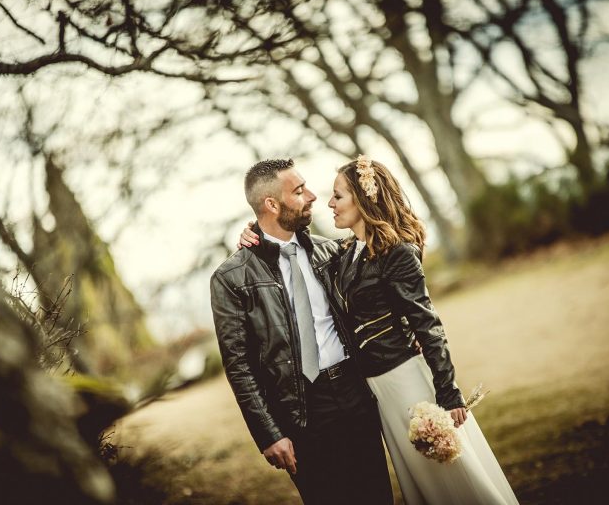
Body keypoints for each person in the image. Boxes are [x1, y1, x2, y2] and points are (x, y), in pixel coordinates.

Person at [240, 156, 519, 505]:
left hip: (406, 381)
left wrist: (447, 392)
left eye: (338, 196)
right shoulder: (343, 253)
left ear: (363, 199)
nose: (328, 203)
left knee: (452, 480)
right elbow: (280, 234)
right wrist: (256, 231)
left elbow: (427, 324)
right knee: (421, 482)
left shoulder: (397, 253)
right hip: (377, 391)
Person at [210, 158, 393, 505]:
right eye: (299, 191)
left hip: (356, 396)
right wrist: (268, 434)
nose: (312, 196)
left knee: (377, 497)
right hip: (300, 412)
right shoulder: (231, 278)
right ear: (271, 204)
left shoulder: (332, 252)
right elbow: (239, 365)